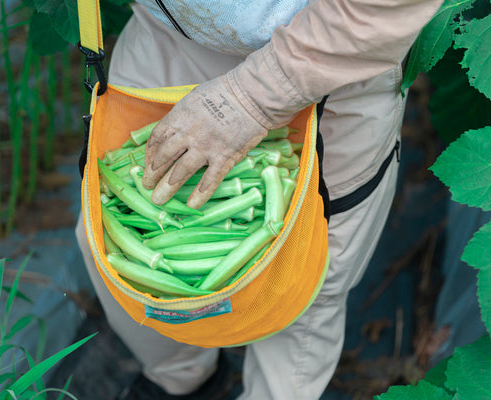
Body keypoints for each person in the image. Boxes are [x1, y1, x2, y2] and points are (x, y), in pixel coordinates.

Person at [75, 0, 444, 398]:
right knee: (117, 249)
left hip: (325, 60)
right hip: (169, 33)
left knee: (301, 284)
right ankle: (180, 379)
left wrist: (250, 98)